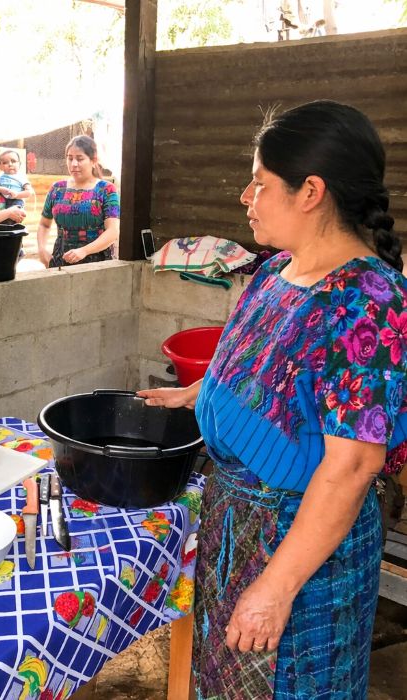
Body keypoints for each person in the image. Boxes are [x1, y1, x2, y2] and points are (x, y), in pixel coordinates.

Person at [138, 100, 406, 699]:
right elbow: (263, 374)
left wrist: (275, 589)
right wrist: (198, 395)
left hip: (299, 550)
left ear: (310, 191)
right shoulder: (276, 271)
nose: (245, 196)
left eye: (259, 183)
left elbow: (355, 463)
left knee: (290, 684)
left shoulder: (369, 301)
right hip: (234, 522)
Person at [36, 135, 120, 268]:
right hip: (61, 262)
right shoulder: (57, 189)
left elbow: (113, 231)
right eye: (70, 158)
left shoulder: (106, 190)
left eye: (80, 159)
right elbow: (44, 225)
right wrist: (41, 249)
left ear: (93, 160)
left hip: (97, 264)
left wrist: (84, 251)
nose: (74, 164)